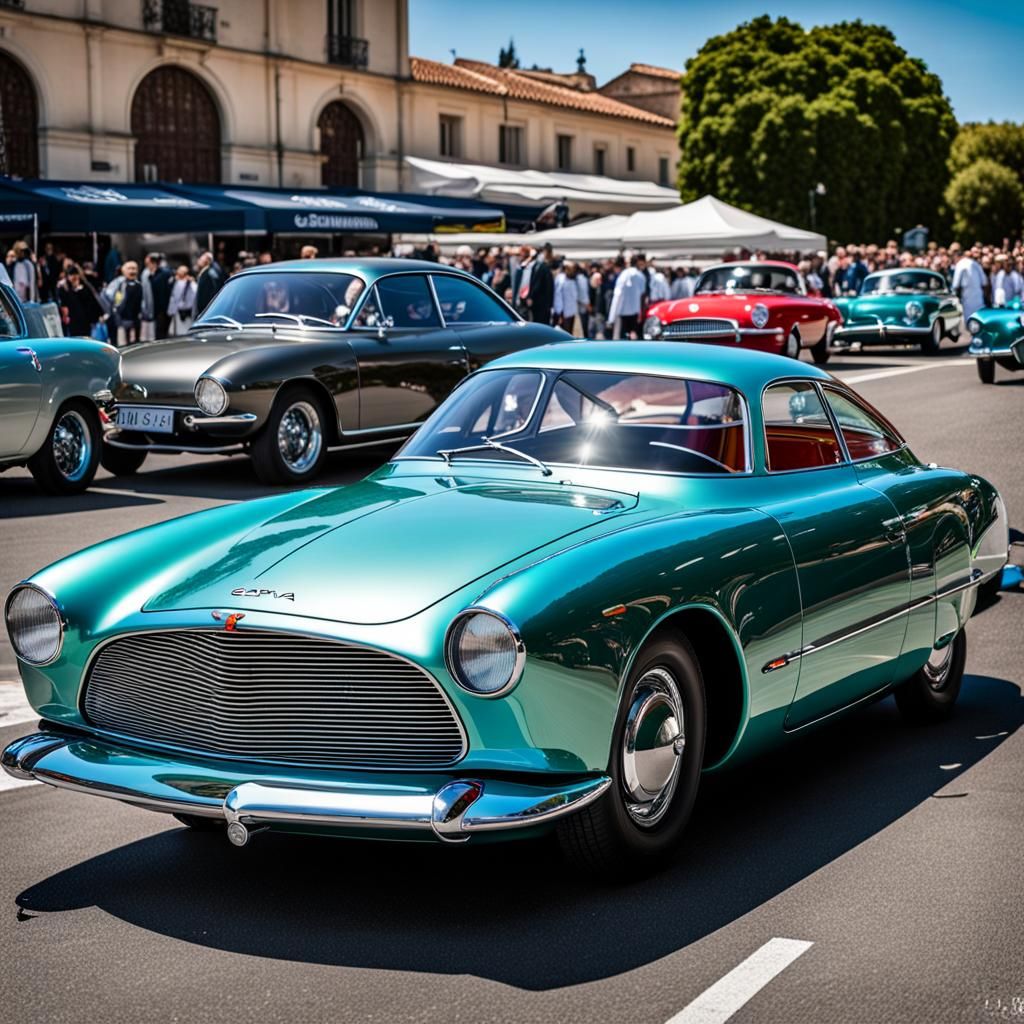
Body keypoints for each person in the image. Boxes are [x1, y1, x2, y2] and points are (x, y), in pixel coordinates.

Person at [57, 265, 104, 338]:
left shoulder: (84, 286)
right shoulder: (64, 288)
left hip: (85, 320)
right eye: (71, 275)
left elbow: (91, 302)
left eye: (75, 275)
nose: (73, 278)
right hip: (73, 320)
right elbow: (64, 304)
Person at [608, 254, 645, 338]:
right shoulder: (640, 276)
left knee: (622, 337)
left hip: (623, 312)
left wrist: (611, 317)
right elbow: (642, 295)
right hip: (635, 311)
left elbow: (617, 296)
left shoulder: (623, 275)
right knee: (633, 335)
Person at [952, 246, 987, 320]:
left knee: (969, 321)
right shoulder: (976, 264)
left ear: (957, 257)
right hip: (978, 296)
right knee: (979, 319)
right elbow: (984, 282)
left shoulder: (960, 264)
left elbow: (955, 284)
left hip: (967, 296)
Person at [114, 261, 143, 346]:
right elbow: (118, 300)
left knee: (137, 338)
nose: (132, 271)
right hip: (126, 315)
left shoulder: (139, 285)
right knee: (126, 339)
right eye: (129, 269)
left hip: (137, 315)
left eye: (134, 269)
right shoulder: (122, 285)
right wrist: (117, 310)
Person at [145, 253, 172, 338]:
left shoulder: (162, 275)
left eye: (148, 264)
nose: (147, 266)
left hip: (161, 310)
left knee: (161, 334)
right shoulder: (162, 273)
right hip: (161, 310)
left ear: (154, 263)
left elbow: (162, 294)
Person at [527, 246, 554, 325]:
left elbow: (539, 285)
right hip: (540, 303)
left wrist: (531, 296)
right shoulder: (539, 266)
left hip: (542, 304)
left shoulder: (543, 267)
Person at [167, 265, 197, 335]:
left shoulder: (189, 284)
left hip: (185, 313)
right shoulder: (176, 282)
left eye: (179, 271)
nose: (177, 272)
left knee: (183, 333)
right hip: (179, 313)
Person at [194, 251, 223, 317]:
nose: (198, 261)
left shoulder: (210, 273)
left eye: (201, 259)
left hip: (207, 310)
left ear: (207, 261)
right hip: (203, 310)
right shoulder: (204, 272)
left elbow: (214, 290)